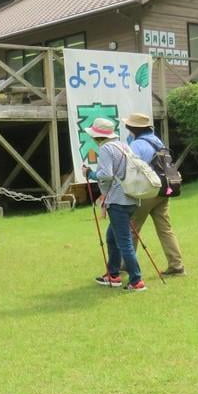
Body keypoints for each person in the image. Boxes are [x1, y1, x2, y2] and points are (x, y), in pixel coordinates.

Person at [81, 117, 146, 292]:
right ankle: (113, 274)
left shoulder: (106, 149)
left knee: (124, 241)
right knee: (112, 237)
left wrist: (90, 174)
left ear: (96, 136)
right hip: (131, 198)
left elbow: (106, 175)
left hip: (118, 200)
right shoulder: (123, 146)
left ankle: (136, 281)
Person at [123, 112, 185, 276]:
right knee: (165, 229)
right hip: (165, 189)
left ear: (133, 128)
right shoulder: (157, 140)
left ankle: (127, 265)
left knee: (132, 228)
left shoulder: (136, 144)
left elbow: (131, 169)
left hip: (147, 191)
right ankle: (176, 265)